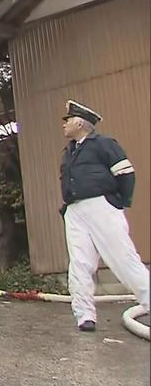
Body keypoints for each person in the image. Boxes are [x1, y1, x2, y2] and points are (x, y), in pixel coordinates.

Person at [58, 99, 150, 332]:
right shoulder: (69, 151)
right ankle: (84, 315)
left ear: (79, 122)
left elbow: (126, 174)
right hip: (75, 210)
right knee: (80, 263)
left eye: (67, 120)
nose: (64, 125)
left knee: (123, 258)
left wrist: (119, 202)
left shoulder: (103, 144)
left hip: (101, 206)